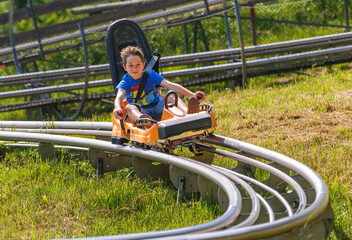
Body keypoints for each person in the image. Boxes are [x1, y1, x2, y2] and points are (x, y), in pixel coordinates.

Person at [113, 46, 205, 126]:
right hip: (141, 111)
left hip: (158, 107)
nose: (135, 68)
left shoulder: (150, 74)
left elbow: (170, 85)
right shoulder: (126, 81)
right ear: (125, 67)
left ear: (143, 65)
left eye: (138, 64)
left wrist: (192, 95)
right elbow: (119, 97)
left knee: (171, 95)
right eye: (131, 65)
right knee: (129, 107)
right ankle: (144, 121)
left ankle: (188, 113)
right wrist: (117, 108)